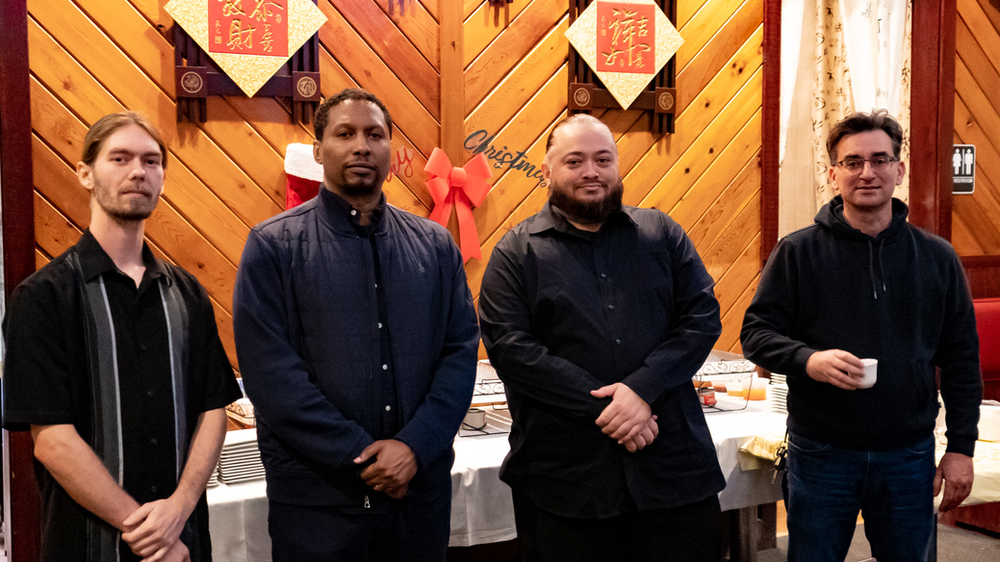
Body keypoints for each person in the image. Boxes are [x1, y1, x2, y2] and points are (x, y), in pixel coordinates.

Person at [232, 88, 479, 561]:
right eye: (344, 134)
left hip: (417, 497)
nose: (362, 146)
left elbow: (459, 352)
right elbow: (272, 377)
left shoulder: (435, 245)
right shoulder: (273, 246)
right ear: (319, 150)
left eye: (375, 134)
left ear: (392, 152)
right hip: (319, 503)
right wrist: (363, 456)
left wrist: (413, 447)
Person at [478, 114, 726, 562]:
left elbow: (702, 317)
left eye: (602, 159)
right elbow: (511, 349)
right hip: (566, 479)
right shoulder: (516, 252)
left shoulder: (662, 234)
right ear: (548, 170)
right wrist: (615, 408)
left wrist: (642, 388)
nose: (591, 171)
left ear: (617, 167)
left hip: (673, 469)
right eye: (574, 161)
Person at [741, 109, 983, 562]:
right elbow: (756, 334)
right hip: (821, 453)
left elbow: (962, 360)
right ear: (833, 173)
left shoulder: (936, 257)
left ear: (899, 169)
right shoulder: (797, 252)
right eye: (852, 162)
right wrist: (808, 360)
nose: (867, 172)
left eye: (880, 159)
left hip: (908, 455)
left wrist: (961, 448)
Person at [1, 111, 242, 562]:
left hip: (185, 538)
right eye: (120, 158)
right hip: (90, 544)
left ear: (163, 179)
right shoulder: (43, 297)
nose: (138, 172)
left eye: (151, 161)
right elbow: (52, 439)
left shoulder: (187, 292)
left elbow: (213, 410)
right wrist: (153, 535)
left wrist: (179, 510)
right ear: (85, 174)